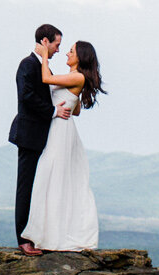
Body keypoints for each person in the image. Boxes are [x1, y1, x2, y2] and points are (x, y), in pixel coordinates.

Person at [20, 39, 104, 252]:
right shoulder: (75, 78)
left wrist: (44, 54)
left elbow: (46, 78)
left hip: (60, 130)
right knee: (53, 178)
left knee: (51, 176)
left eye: (71, 51)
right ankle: (49, 232)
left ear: (81, 56)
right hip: (60, 126)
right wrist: (66, 102)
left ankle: (51, 234)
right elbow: (75, 110)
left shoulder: (77, 76)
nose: (67, 53)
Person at [9, 24, 69, 253]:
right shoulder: (27, 64)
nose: (58, 50)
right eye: (56, 45)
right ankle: (23, 239)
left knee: (38, 187)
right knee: (26, 187)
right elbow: (26, 97)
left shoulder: (43, 67)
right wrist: (53, 111)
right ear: (45, 41)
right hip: (29, 134)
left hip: (43, 136)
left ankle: (35, 235)